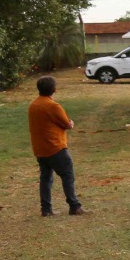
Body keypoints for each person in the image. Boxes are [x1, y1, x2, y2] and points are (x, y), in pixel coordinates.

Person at [28, 75, 83, 217]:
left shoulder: (33, 105)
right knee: (67, 175)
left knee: (45, 178)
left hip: (40, 148)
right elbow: (67, 124)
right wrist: (71, 122)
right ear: (54, 89)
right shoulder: (53, 106)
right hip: (55, 147)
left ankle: (46, 209)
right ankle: (74, 206)